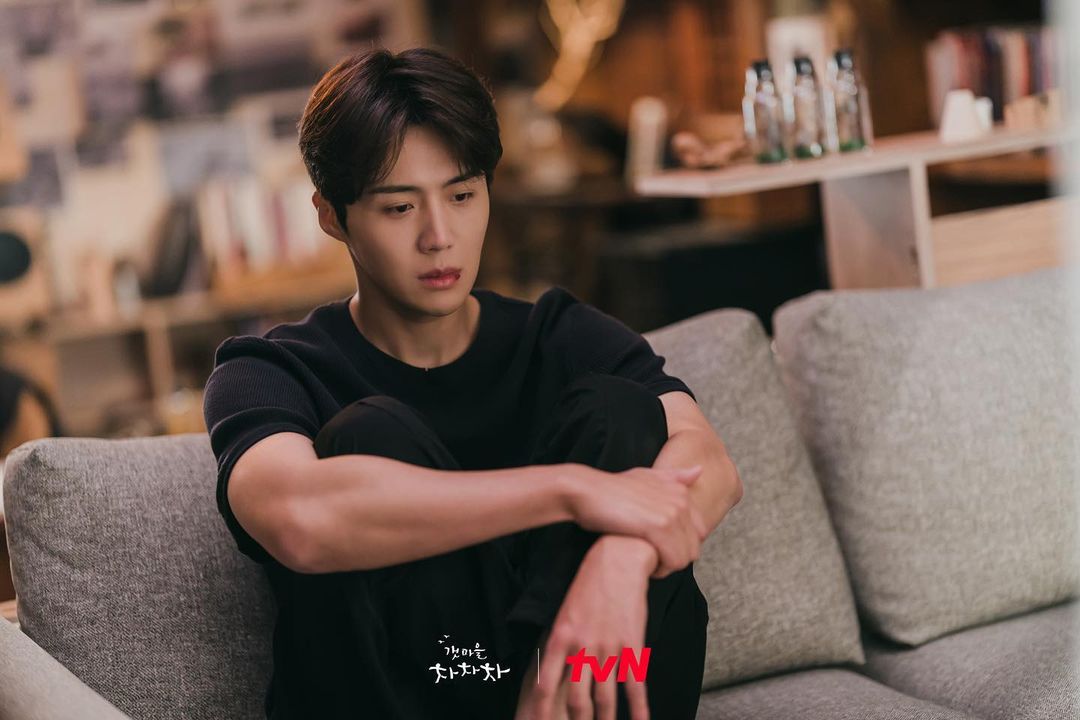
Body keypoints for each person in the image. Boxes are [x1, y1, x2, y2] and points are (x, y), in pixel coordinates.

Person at [202, 46, 743, 720]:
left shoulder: (560, 335)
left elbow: (712, 467)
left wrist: (622, 557)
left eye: (462, 196)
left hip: (575, 689)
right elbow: (301, 520)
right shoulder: (270, 370)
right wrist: (574, 492)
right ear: (332, 216)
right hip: (413, 697)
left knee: (623, 412)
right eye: (399, 208)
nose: (440, 236)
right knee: (370, 437)